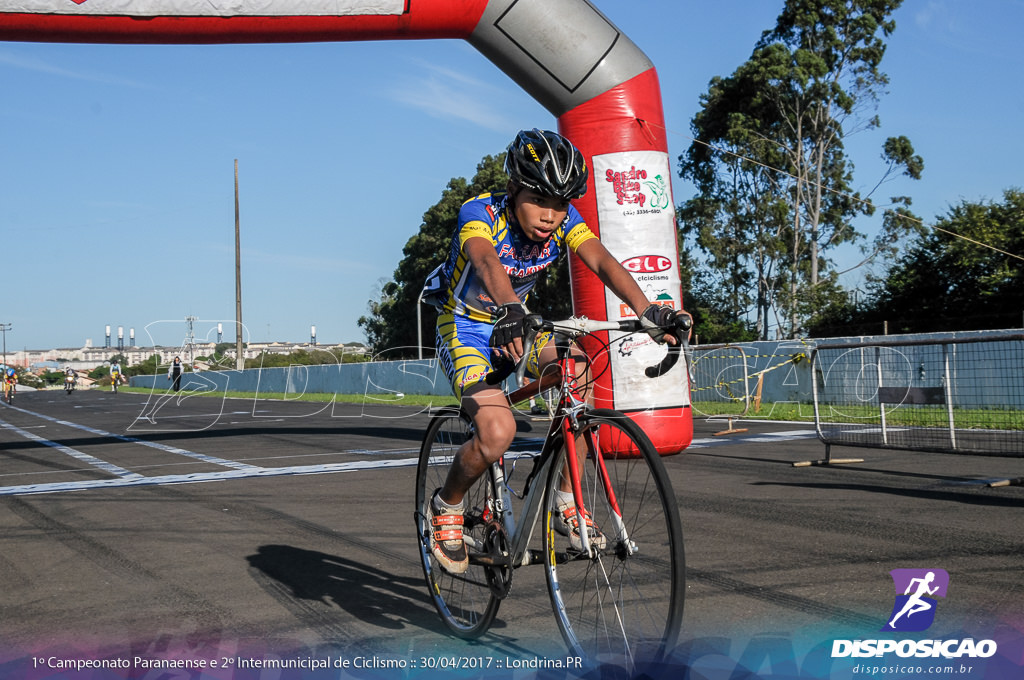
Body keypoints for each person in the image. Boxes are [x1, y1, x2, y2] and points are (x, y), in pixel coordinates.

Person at [422, 128, 686, 574]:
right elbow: (486, 260)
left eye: (560, 203)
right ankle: (445, 506)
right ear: (512, 189)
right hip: (465, 325)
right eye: (540, 200)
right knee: (497, 431)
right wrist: (507, 306)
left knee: (577, 371)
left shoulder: (564, 223)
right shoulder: (480, 212)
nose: (550, 215)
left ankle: (567, 497)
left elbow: (600, 258)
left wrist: (649, 311)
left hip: (519, 319)